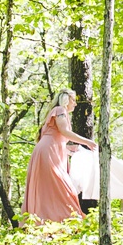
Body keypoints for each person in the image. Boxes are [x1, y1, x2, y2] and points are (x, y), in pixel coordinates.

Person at [24, 88, 97, 223]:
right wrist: (87, 142)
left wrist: (69, 149)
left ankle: (50, 220)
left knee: (51, 187)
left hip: (49, 151)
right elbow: (64, 131)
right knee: (62, 187)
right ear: (66, 100)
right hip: (48, 152)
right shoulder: (60, 110)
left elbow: (54, 137)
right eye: (73, 100)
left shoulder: (59, 113)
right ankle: (66, 220)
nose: (75, 104)